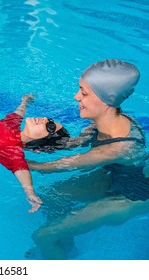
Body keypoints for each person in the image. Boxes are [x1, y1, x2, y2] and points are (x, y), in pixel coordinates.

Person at [27, 59, 149, 259]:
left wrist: (11, 160)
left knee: (42, 236)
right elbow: (74, 143)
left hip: (130, 197)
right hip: (113, 179)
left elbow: (59, 166)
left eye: (84, 93)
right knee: (52, 195)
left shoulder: (117, 147)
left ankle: (54, 244)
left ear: (107, 100)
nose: (76, 97)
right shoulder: (103, 122)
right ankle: (65, 247)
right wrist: (32, 143)